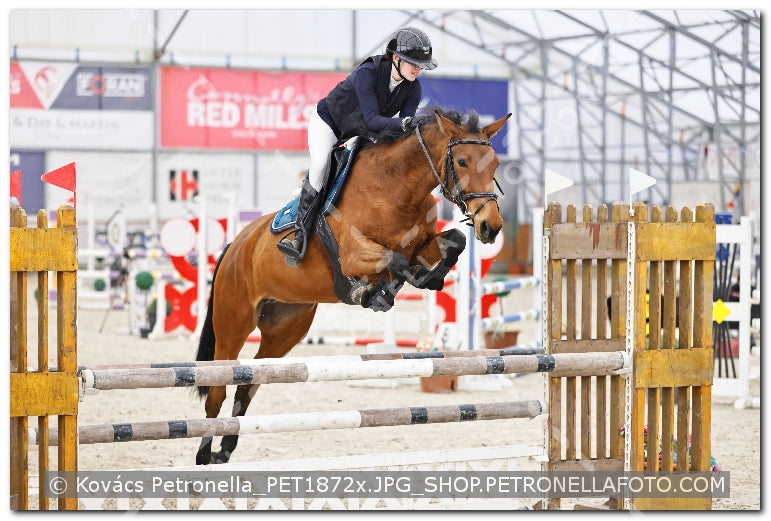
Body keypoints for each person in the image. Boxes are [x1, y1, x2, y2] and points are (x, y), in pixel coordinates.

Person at [277, 26, 438, 263]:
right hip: (330, 124)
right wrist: (407, 123)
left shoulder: (414, 87)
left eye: (421, 64)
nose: (418, 68)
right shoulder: (368, 73)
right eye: (412, 62)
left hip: (362, 133)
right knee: (321, 166)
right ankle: (300, 236)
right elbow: (375, 119)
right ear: (395, 58)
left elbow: (401, 131)